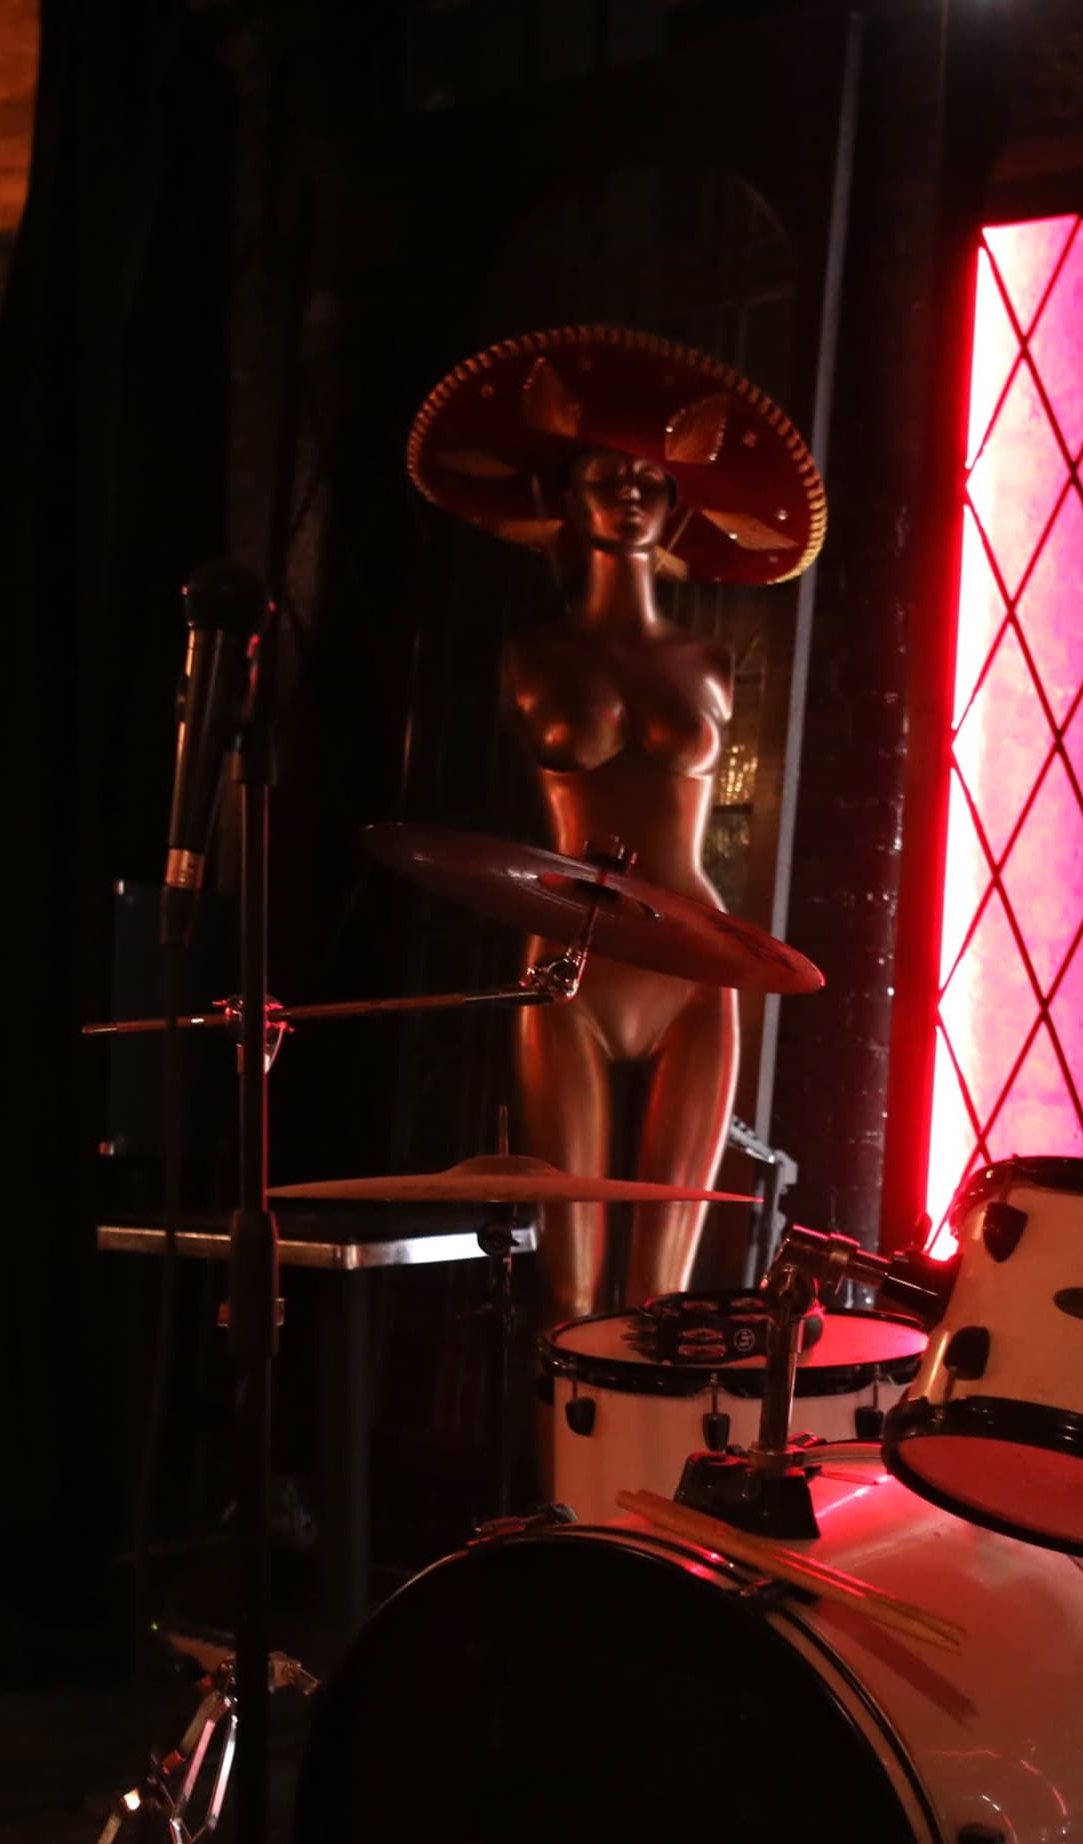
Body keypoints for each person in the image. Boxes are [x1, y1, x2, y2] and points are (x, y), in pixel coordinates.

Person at [407, 327, 825, 1320]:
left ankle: (645, 1428)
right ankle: (562, 1429)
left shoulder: (709, 663)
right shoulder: (531, 654)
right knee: (572, 1284)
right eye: (606, 475)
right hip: (572, 954)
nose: (631, 494)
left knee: (661, 1290)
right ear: (566, 495)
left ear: (676, 503)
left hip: (695, 957)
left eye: (649, 480)